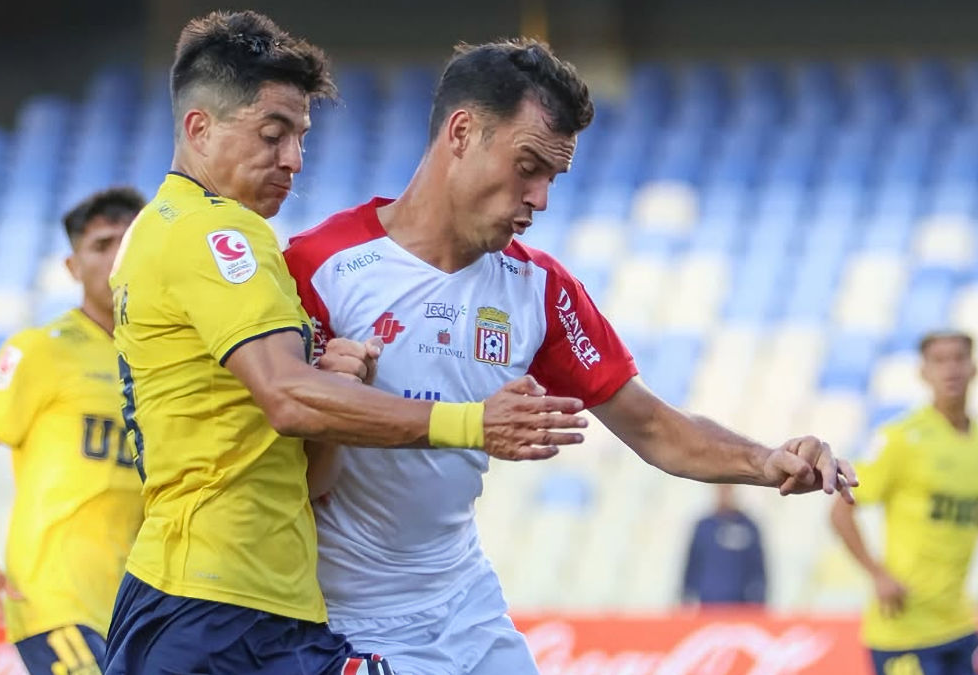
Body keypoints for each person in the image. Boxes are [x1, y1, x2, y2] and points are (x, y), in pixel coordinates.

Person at [283, 39, 859, 675]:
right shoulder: (317, 269)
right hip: (345, 616)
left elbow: (654, 427)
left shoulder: (539, 290)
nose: (540, 199)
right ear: (462, 132)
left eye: (552, 178)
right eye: (528, 166)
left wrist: (764, 459)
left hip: (465, 606)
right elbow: (281, 456)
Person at [101, 12, 585, 675]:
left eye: (301, 137)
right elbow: (287, 398)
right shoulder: (214, 237)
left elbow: (307, 462)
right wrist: (471, 422)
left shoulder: (177, 232)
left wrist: (341, 390)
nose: (294, 160)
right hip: (210, 601)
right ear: (198, 127)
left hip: (265, 599)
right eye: (274, 136)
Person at [0, 187, 147, 675]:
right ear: (72, 266)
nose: (117, 257)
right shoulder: (42, 349)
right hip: (55, 593)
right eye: (101, 245)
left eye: (128, 242)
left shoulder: (162, 357)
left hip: (136, 597)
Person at [831, 330, 978, 675]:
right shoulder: (900, 438)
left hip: (958, 622)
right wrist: (877, 573)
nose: (951, 369)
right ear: (923, 372)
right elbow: (840, 512)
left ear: (973, 367)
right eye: (939, 361)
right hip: (903, 627)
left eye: (959, 358)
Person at [681, 485, 767, 607]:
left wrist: (759, 600)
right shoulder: (704, 527)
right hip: (708, 606)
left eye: (727, 489)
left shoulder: (748, 527)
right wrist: (686, 596)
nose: (724, 494)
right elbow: (692, 565)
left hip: (739, 607)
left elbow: (758, 569)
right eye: (721, 490)